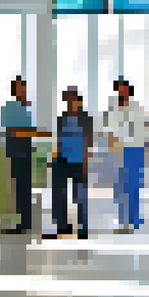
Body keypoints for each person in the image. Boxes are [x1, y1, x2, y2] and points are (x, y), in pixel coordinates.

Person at [0, 76, 49, 235]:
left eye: (25, 88)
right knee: (20, 189)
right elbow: (14, 130)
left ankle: (26, 222)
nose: (23, 91)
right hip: (16, 152)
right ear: (14, 90)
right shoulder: (9, 107)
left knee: (25, 188)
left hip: (26, 152)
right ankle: (22, 223)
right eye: (20, 88)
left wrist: (35, 133)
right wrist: (38, 132)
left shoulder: (26, 108)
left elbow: (25, 130)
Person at [46, 87, 95, 240]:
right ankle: (62, 226)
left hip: (79, 161)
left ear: (78, 101)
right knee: (59, 194)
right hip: (61, 160)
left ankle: (82, 228)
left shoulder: (86, 119)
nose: (70, 103)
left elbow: (89, 142)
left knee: (80, 196)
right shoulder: (61, 119)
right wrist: (53, 158)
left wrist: (86, 161)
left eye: (73, 100)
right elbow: (58, 140)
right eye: (67, 100)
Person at [103, 78, 149, 232]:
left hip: (135, 149)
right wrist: (111, 146)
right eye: (119, 90)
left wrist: (144, 146)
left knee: (133, 185)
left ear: (129, 91)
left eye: (124, 89)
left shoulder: (136, 108)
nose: (121, 92)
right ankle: (123, 218)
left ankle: (134, 218)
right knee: (120, 186)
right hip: (119, 150)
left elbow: (143, 128)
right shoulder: (114, 109)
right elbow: (110, 130)